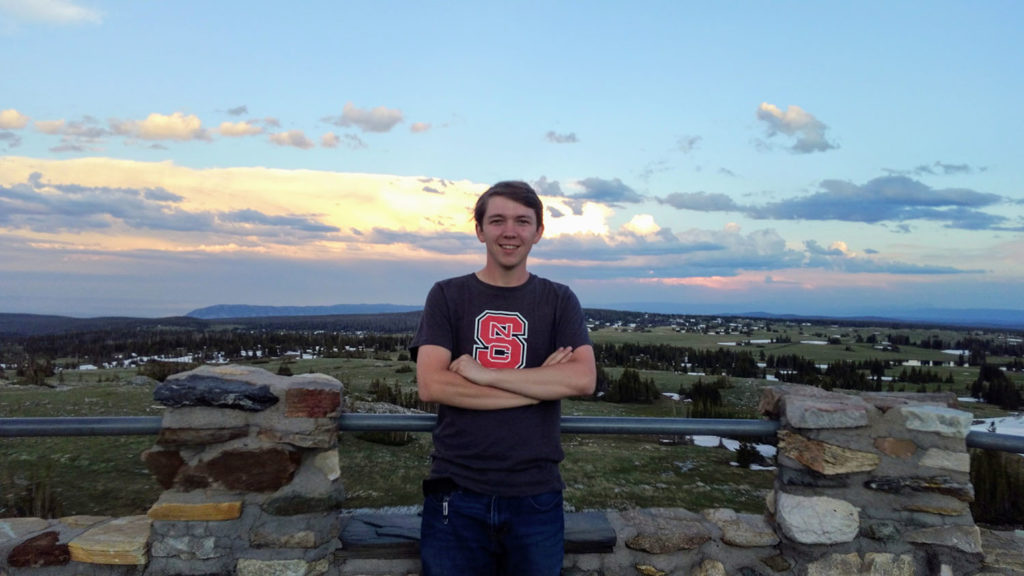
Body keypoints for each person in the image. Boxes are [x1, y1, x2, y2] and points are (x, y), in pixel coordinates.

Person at [409, 180, 597, 575]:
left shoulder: (559, 299)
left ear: (538, 232)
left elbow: (581, 380)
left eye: (522, 221)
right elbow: (433, 385)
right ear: (479, 230)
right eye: (497, 220)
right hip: (455, 494)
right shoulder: (446, 295)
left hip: (536, 495)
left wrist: (484, 374)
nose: (509, 231)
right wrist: (538, 386)